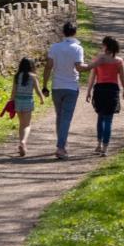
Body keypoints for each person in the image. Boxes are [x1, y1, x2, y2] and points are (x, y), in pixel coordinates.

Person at [42, 21, 87, 160]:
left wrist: (44, 85)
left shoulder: (55, 47)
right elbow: (79, 67)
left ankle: (61, 143)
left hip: (57, 86)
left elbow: (48, 66)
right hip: (71, 86)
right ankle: (61, 147)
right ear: (75, 32)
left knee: (60, 116)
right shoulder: (77, 48)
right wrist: (93, 66)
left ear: (63, 32)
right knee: (66, 118)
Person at [86, 36, 124, 156]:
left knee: (100, 118)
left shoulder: (99, 58)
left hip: (100, 89)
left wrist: (88, 91)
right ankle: (105, 148)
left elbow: (92, 77)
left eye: (103, 44)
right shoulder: (118, 61)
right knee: (108, 120)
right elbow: (122, 78)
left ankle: (99, 144)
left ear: (106, 46)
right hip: (112, 90)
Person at [10, 57, 45, 157]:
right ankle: (24, 142)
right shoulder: (33, 76)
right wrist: (42, 98)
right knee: (27, 125)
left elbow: (13, 91)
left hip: (18, 101)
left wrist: (11, 101)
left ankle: (21, 142)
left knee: (21, 124)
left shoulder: (17, 76)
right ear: (31, 66)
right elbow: (38, 90)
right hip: (27, 101)